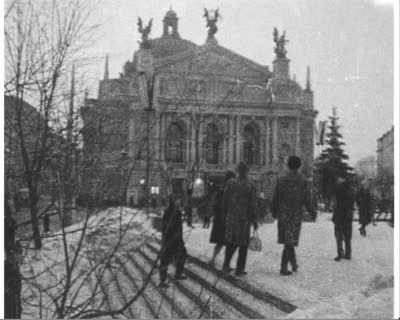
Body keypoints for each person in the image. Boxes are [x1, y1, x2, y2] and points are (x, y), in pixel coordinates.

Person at [272, 156, 315, 276]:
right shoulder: (302, 180)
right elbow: (307, 198)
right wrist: (312, 211)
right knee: (289, 240)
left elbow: (276, 197)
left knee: (288, 240)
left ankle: (294, 263)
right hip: (295, 214)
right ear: (299, 165)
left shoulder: (281, 180)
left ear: (288, 165)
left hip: (283, 214)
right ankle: (283, 267)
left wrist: (274, 211)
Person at [222, 162, 258, 276]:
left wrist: (225, 214)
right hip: (244, 219)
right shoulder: (250, 185)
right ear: (247, 172)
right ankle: (239, 268)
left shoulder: (230, 183)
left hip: (232, 217)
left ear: (238, 171)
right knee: (243, 245)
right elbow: (252, 205)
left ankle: (226, 265)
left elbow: (225, 200)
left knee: (231, 243)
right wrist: (254, 220)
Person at [159, 195, 187, 288]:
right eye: (178, 200)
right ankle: (170, 277)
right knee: (173, 257)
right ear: (174, 201)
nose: (179, 202)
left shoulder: (171, 210)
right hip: (173, 239)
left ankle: (165, 278)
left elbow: (165, 226)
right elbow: (173, 226)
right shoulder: (174, 211)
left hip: (170, 238)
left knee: (169, 258)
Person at [209, 171, 236, 267]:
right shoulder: (226, 191)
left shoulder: (222, 190)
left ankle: (215, 260)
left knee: (222, 243)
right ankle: (223, 263)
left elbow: (215, 205)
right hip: (223, 221)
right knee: (227, 243)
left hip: (221, 220)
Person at [332, 174, 355, 261]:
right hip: (348, 215)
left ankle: (340, 254)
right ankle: (348, 254)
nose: (337, 179)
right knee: (347, 236)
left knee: (338, 236)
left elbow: (337, 203)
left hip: (340, 215)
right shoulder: (351, 189)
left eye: (339, 178)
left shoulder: (339, 189)